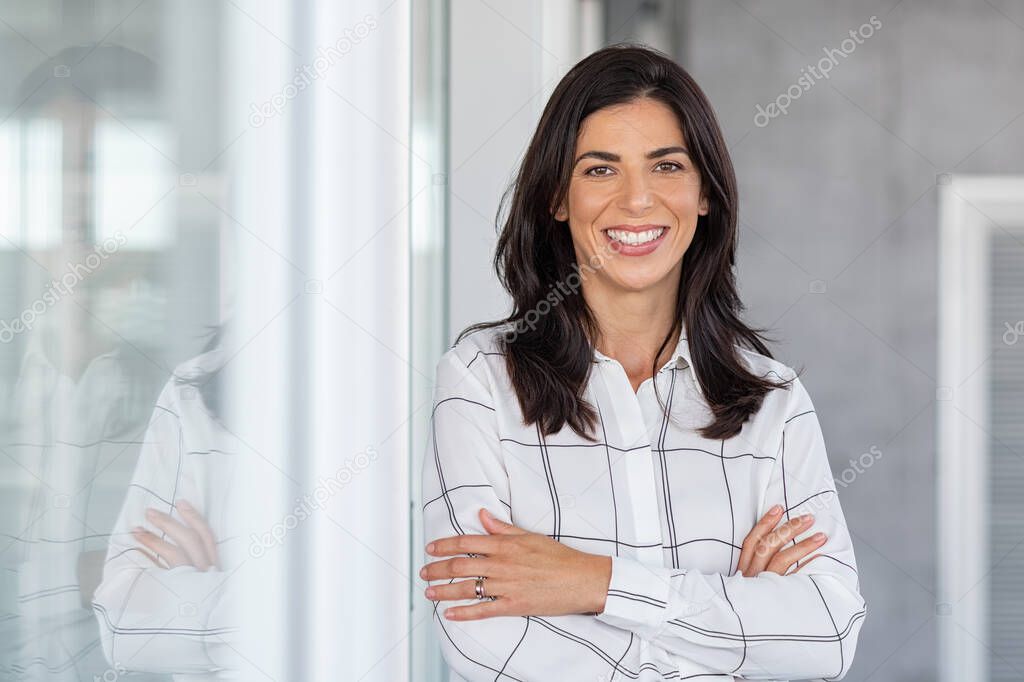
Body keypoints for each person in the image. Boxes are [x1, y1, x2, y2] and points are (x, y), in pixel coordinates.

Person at [420, 43, 866, 681]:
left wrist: (594, 584)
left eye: (667, 166)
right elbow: (481, 635)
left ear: (705, 193)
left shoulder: (774, 399)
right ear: (557, 198)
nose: (636, 201)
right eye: (601, 170)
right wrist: (730, 621)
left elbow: (826, 634)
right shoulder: (480, 382)